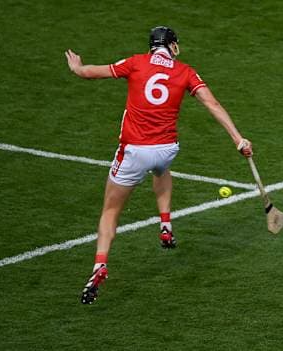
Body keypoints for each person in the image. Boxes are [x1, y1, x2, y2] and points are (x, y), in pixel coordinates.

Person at [65, 26, 253, 304]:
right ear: (172, 46)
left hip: (134, 151)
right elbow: (212, 104)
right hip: (166, 149)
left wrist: (78, 67)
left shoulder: (135, 62)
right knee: (162, 170)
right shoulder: (186, 72)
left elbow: (92, 73)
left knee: (110, 210)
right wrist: (239, 139)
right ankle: (165, 224)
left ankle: (100, 264)